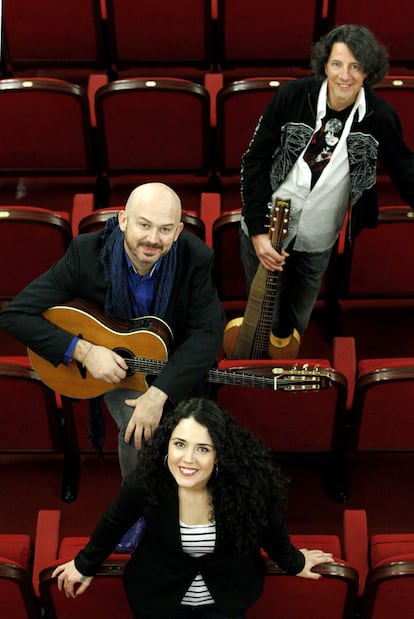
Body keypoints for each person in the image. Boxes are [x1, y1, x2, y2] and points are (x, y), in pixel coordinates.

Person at [0, 182, 225, 546]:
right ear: (123, 220)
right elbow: (16, 315)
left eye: (165, 229)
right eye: (143, 225)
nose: (152, 239)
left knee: (191, 432)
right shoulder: (85, 253)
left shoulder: (195, 257)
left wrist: (160, 393)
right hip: (112, 366)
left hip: (172, 364)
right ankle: (136, 507)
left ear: (179, 231)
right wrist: (84, 352)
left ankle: (189, 505)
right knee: (139, 431)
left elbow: (208, 333)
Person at [51, 397, 334, 619]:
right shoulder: (146, 481)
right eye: (180, 444)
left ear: (220, 454)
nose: (187, 460)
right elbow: (113, 522)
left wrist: (295, 562)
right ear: (167, 446)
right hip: (158, 602)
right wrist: (83, 564)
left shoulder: (249, 486)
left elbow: (271, 529)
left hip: (225, 602)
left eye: (202, 448)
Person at [239, 24, 414, 354]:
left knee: (298, 317)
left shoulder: (380, 116)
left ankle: (284, 362)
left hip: (321, 232)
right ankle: (257, 368)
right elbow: (254, 161)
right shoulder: (291, 97)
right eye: (337, 64)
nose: (344, 76)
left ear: (368, 71)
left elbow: (407, 173)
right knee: (264, 310)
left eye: (355, 66)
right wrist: (259, 232)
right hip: (268, 223)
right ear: (324, 65)